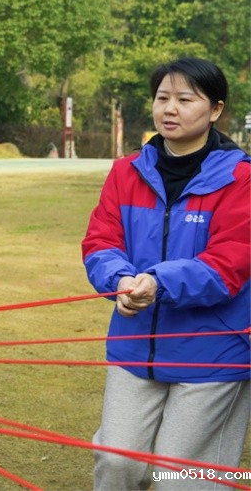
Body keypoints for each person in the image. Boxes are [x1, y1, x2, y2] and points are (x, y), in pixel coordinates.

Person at [82, 57, 249, 491]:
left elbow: (230, 262)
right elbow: (101, 242)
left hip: (214, 351)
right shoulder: (126, 171)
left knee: (182, 478)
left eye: (185, 100)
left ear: (215, 109)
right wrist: (119, 279)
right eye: (162, 98)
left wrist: (158, 283)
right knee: (117, 464)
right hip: (135, 345)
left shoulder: (241, 178)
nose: (170, 109)